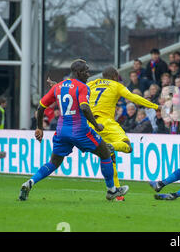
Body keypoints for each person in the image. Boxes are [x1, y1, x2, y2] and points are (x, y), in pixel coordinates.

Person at [19, 59, 129, 201]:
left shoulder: (58, 87)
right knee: (106, 153)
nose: (88, 74)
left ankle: (29, 183)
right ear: (77, 73)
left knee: (53, 162)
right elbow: (84, 107)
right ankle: (112, 190)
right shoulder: (83, 87)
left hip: (62, 131)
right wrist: (96, 125)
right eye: (86, 71)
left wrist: (39, 127)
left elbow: (41, 107)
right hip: (80, 131)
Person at [48, 66, 159, 201]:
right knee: (126, 145)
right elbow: (133, 97)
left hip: (89, 123)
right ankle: (112, 146)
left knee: (108, 157)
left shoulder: (92, 83)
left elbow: (72, 89)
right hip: (105, 122)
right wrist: (155, 106)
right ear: (114, 77)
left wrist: (56, 86)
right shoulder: (116, 85)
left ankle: (117, 194)